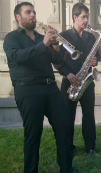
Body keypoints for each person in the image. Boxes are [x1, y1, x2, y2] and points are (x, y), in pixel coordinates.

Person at [3, 2, 74, 173]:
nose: (33, 15)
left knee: (64, 127)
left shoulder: (41, 37)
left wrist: (55, 44)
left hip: (50, 87)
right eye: (28, 12)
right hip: (27, 89)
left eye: (33, 12)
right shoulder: (12, 37)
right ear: (18, 17)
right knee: (33, 134)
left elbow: (56, 60)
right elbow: (18, 57)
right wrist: (44, 44)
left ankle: (66, 169)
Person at [54, 3, 100, 157]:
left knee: (89, 115)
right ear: (75, 17)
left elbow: (96, 56)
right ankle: (68, 146)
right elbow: (57, 60)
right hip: (70, 81)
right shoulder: (63, 36)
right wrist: (67, 74)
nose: (86, 20)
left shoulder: (91, 37)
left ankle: (90, 147)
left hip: (86, 81)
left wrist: (95, 61)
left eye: (87, 17)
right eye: (83, 17)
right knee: (67, 116)